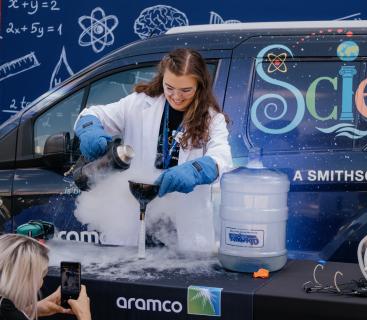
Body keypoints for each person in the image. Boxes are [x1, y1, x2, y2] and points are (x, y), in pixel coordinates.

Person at [74, 48, 233, 251]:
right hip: (133, 218)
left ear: (200, 87)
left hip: (183, 225)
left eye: (186, 90)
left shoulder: (212, 120)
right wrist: (90, 128)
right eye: (170, 88)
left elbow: (222, 158)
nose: (176, 96)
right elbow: (95, 113)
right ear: (162, 80)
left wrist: (197, 170)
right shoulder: (139, 104)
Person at [0, 233, 91, 320]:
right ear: (22, 279)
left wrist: (31, 310)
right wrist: (84, 315)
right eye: (42, 275)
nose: (41, 283)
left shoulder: (4, 306)